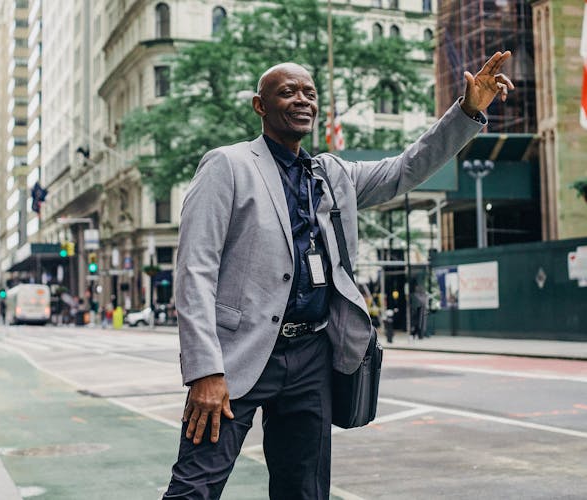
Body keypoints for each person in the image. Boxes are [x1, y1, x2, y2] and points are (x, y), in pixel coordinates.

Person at [165, 52, 514, 499]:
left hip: (311, 354)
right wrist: (204, 371)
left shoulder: (331, 174)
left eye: (309, 92)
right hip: (238, 354)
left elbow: (407, 168)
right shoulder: (227, 165)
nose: (301, 100)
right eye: (287, 92)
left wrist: (467, 111)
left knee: (305, 490)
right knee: (196, 486)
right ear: (260, 105)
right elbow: (195, 270)